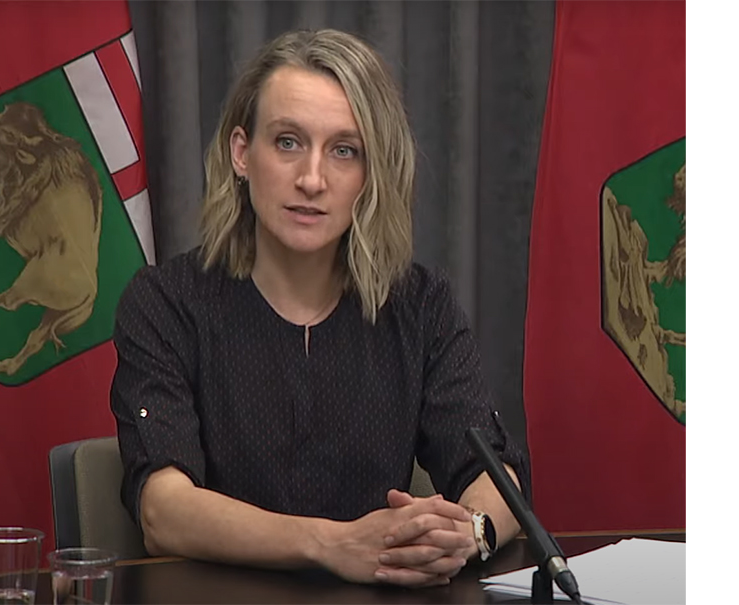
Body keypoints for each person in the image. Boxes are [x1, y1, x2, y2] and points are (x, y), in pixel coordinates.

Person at [110, 28, 530, 589]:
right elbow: (163, 510)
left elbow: (494, 477)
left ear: (369, 173)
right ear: (241, 152)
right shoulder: (165, 303)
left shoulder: (420, 306)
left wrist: (469, 533)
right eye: (287, 142)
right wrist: (332, 543)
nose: (312, 179)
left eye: (344, 150)